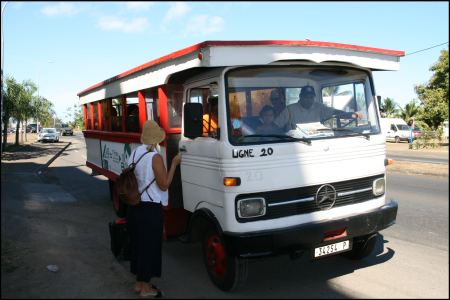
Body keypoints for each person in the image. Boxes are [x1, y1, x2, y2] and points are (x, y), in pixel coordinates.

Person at [126, 120, 181, 298]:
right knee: (149, 248)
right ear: (156, 139)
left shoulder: (135, 153)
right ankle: (146, 289)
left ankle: (138, 283)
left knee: (138, 245)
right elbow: (164, 185)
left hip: (134, 207)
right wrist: (174, 164)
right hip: (149, 209)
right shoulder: (154, 157)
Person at [274, 85, 363, 131]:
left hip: (316, 142)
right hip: (295, 145)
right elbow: (276, 126)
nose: (309, 100)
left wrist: (352, 115)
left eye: (311, 97)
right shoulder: (289, 110)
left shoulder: (319, 107)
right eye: (306, 97)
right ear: (300, 97)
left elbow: (334, 112)